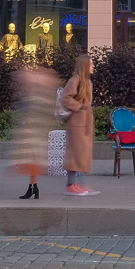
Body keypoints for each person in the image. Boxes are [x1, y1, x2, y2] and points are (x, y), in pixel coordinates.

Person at [12, 66, 60, 199]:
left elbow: (36, 113)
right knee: (31, 159)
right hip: (34, 131)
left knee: (31, 159)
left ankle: (33, 188)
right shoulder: (38, 94)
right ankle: (33, 187)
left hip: (34, 132)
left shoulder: (37, 95)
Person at [59, 54, 98, 196]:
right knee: (75, 154)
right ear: (84, 66)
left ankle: (81, 184)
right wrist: (79, 107)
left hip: (85, 123)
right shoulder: (75, 80)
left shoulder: (88, 82)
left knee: (82, 155)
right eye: (91, 64)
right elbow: (65, 97)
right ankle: (71, 185)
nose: (93, 66)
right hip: (76, 123)